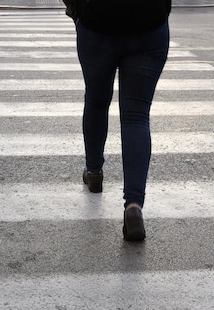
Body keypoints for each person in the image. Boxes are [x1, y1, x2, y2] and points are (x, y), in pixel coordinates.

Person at [64, 0, 172, 241]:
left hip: (97, 23)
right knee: (136, 116)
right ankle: (133, 207)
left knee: (96, 100)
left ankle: (94, 172)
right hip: (149, 23)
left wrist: (77, 11)